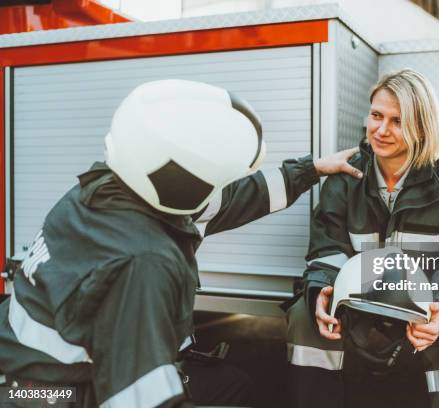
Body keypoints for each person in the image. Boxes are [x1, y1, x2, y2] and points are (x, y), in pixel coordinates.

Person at [0, 79, 362, 408]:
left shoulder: (105, 188)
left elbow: (232, 199)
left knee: (230, 385)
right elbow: (140, 397)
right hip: (57, 394)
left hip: (28, 376)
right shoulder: (144, 261)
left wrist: (310, 170)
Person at [285, 69, 439, 408]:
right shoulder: (345, 180)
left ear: (421, 126)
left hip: (427, 313)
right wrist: (319, 294)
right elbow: (326, 252)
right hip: (361, 310)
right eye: (376, 115)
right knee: (304, 315)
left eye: (397, 121)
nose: (381, 130)